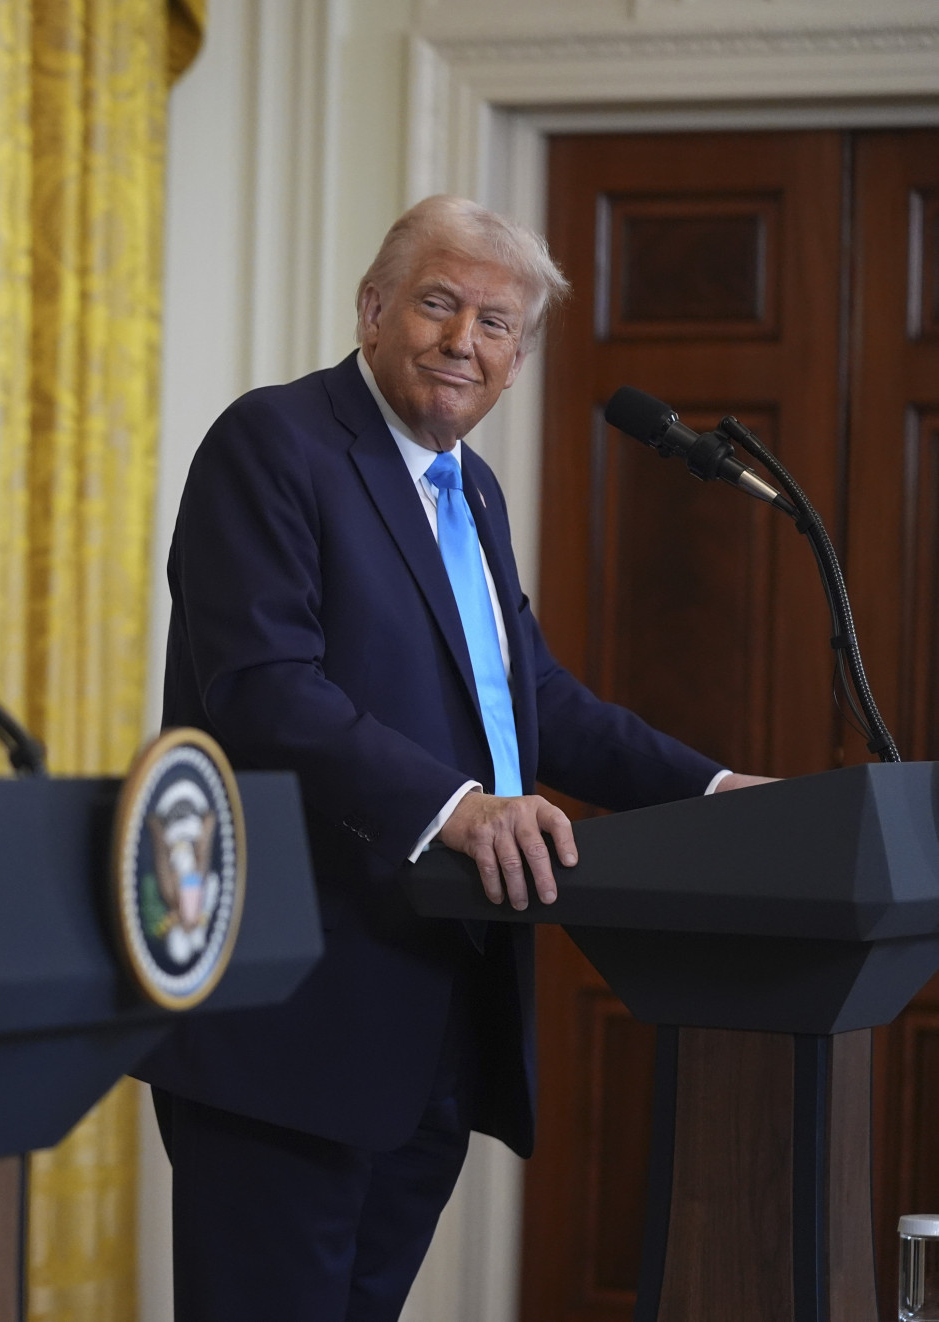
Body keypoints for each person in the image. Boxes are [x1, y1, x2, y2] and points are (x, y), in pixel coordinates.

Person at [135, 195, 773, 1321]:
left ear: (518, 360)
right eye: (438, 304)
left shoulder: (469, 487)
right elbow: (264, 691)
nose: (462, 341)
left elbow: (533, 703)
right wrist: (458, 807)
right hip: (293, 1015)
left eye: (495, 323)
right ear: (373, 310)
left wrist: (718, 793)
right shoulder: (274, 442)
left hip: (436, 1014)